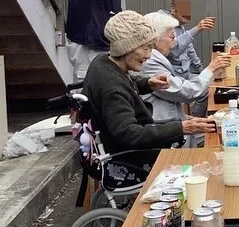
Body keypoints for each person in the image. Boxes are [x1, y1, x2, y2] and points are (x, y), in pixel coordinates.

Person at [82, 11, 215, 176]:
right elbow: (129, 134)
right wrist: (180, 128)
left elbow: (124, 87)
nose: (149, 55)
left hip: (117, 146)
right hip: (128, 159)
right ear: (126, 48)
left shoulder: (103, 63)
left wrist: (147, 84)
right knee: (207, 156)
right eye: (145, 48)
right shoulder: (112, 87)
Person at [141, 12, 231, 147]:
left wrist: (196, 120)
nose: (175, 42)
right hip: (167, 137)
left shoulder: (156, 57)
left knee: (221, 131)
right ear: (156, 39)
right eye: (172, 37)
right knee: (222, 138)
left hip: (173, 126)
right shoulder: (149, 63)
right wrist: (211, 68)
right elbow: (188, 92)